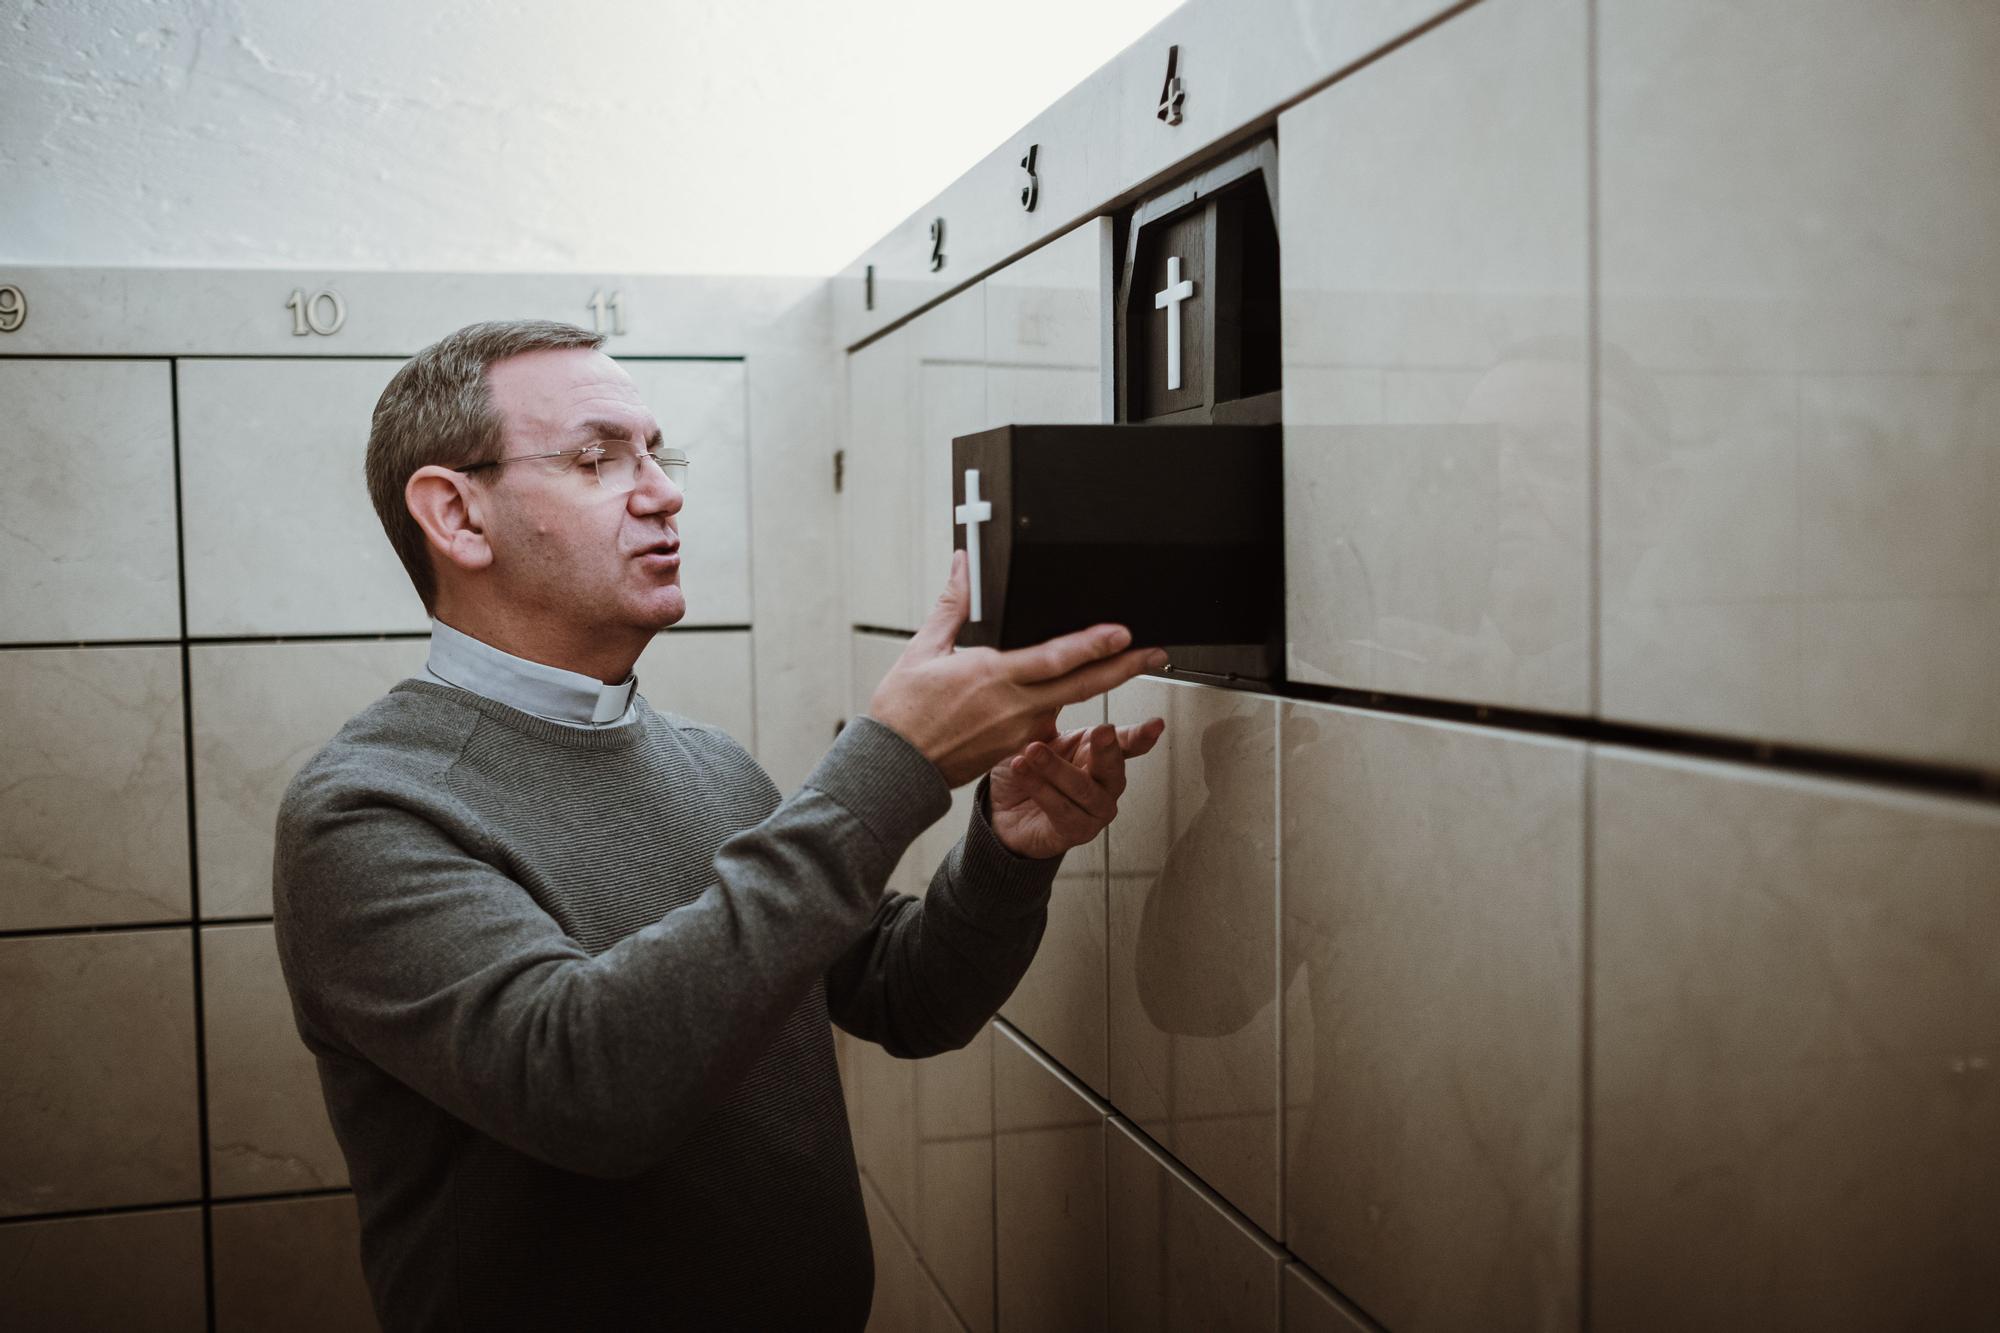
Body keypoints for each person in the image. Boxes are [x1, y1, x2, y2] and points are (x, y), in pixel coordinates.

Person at [271, 319, 1166, 1331]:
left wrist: (1005, 853)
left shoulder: (706, 762)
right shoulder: (366, 811)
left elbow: (903, 995)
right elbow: (588, 1084)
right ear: (457, 515)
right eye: (598, 458)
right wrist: (891, 764)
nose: (662, 491)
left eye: (659, 453)